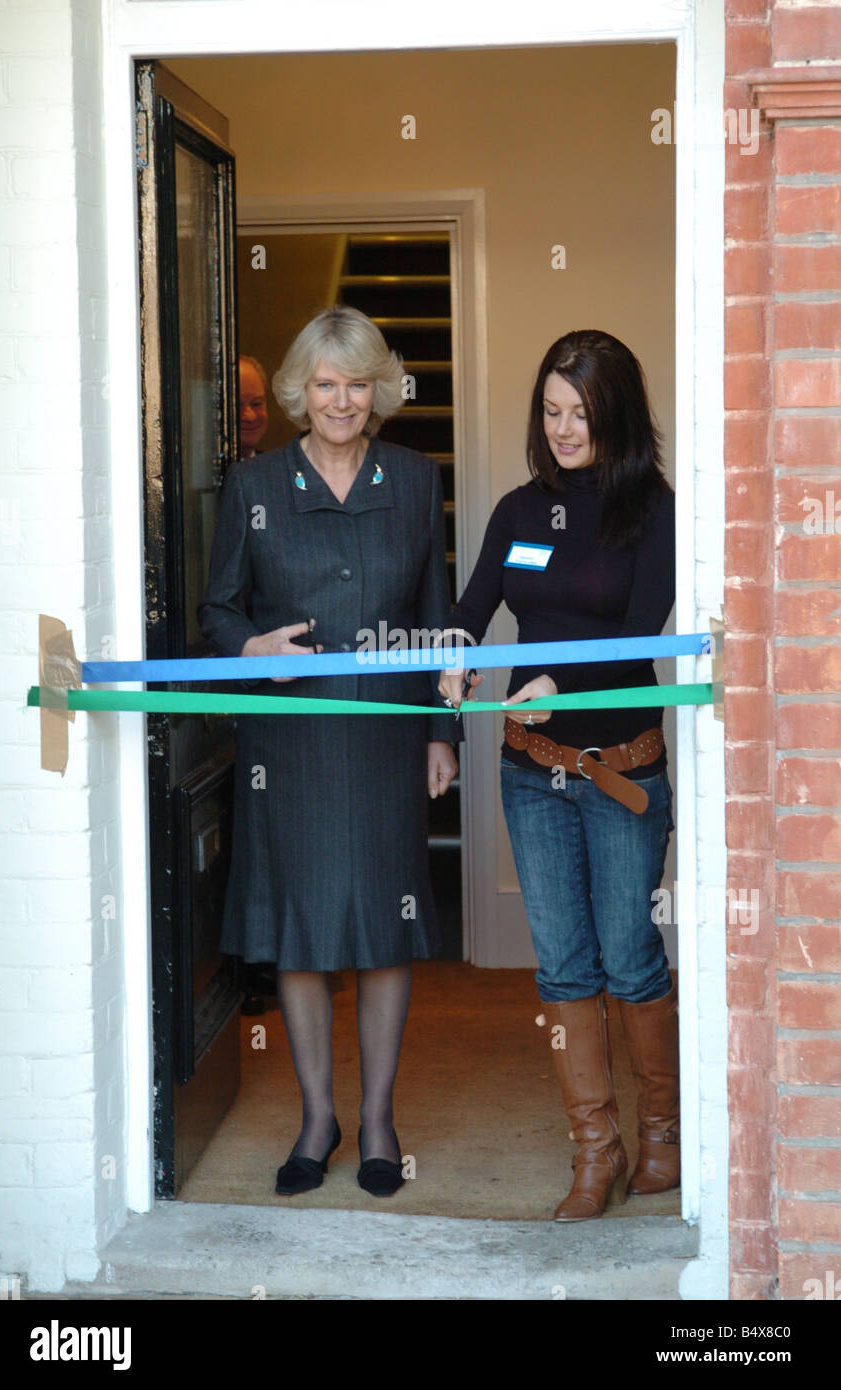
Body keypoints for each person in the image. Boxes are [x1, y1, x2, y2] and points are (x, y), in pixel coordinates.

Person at [198, 306, 457, 1199]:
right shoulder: (253, 482)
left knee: (385, 935)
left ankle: (379, 1121)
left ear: (378, 388)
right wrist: (248, 652)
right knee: (299, 937)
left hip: (387, 736)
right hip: (291, 743)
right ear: (299, 392)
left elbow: (437, 622)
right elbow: (218, 609)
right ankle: (318, 1119)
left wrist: (440, 731)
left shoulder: (417, 480)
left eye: (355, 383)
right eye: (323, 384)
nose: (340, 400)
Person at [438, 329, 677, 1222]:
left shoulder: (651, 508)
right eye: (550, 410)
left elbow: (645, 636)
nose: (563, 427)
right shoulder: (516, 510)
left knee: (629, 956)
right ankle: (595, 1151)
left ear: (612, 412)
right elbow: (470, 610)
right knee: (566, 968)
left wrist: (556, 681)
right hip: (529, 772)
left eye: (579, 412)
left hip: (621, 776)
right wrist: (455, 657)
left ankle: (660, 1133)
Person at [239, 355, 269, 458]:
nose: (250, 417)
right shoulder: (194, 470)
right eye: (238, 406)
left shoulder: (276, 469)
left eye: (256, 404)